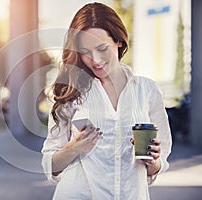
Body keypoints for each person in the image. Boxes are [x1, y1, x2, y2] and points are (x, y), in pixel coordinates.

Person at [41, 2, 172, 200]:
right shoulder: (71, 91)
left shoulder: (148, 91)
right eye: (85, 52)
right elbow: (50, 164)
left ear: (118, 41)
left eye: (102, 48)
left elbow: (161, 161)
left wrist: (153, 163)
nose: (94, 59)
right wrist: (74, 147)